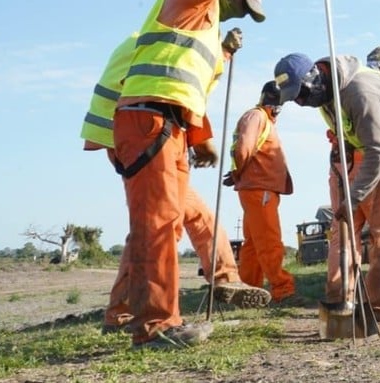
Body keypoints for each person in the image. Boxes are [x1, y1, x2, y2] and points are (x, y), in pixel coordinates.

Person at [112, 0, 325, 350]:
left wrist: (222, 59)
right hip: (148, 121)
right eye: (242, 5)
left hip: (168, 126)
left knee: (166, 222)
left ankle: (158, 318)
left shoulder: (202, 26)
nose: (240, 13)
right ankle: (152, 326)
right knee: (154, 225)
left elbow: (190, 85)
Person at [82, 32, 273, 335]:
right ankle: (140, 317)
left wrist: (223, 53)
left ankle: (222, 279)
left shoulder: (153, 41)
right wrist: (202, 140)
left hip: (137, 135)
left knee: (182, 218)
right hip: (145, 135)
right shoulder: (170, 45)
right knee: (156, 228)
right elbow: (183, 89)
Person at [273, 52, 380, 332]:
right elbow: (353, 136)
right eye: (293, 98)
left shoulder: (359, 91)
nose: (300, 103)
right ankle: (355, 300)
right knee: (373, 228)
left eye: (300, 94)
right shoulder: (325, 97)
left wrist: (354, 197)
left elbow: (377, 149)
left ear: (315, 77)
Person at [226, 81, 296, 304]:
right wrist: (238, 174)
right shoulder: (257, 117)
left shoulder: (262, 118)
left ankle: (248, 291)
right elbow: (244, 148)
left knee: (254, 244)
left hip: (257, 188)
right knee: (268, 241)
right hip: (260, 189)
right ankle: (283, 290)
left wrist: (238, 174)